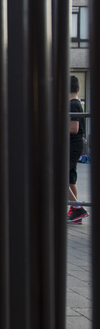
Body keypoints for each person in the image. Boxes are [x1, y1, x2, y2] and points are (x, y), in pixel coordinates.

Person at [69, 75, 89, 223]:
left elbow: (74, 128)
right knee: (70, 178)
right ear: (79, 88)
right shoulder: (77, 103)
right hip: (75, 145)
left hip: (71, 145)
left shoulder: (71, 104)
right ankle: (75, 212)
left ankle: (77, 208)